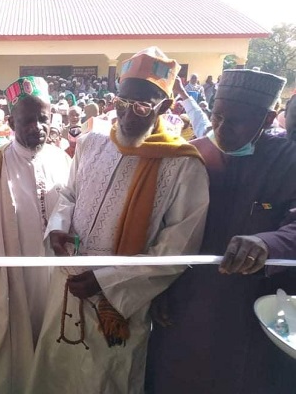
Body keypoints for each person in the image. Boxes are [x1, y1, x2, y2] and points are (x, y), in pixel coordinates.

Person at [26, 47, 209, 394]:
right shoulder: (93, 144)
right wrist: (58, 228)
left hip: (120, 304)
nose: (127, 117)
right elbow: (69, 195)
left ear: (165, 107)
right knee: (55, 375)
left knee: (103, 381)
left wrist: (106, 281)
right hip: (66, 285)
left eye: (141, 107)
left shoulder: (183, 165)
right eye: (122, 104)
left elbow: (176, 250)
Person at [146, 69, 296, 394]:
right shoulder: (194, 154)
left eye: (236, 120)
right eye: (217, 115)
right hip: (185, 300)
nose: (221, 128)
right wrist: (159, 288)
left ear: (268, 118)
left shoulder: (288, 160)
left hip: (248, 307)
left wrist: (267, 243)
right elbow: (166, 229)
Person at [0, 76, 71, 394]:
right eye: (27, 120)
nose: (37, 126)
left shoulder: (62, 160)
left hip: (55, 281)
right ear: (10, 122)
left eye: (43, 118)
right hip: (11, 285)